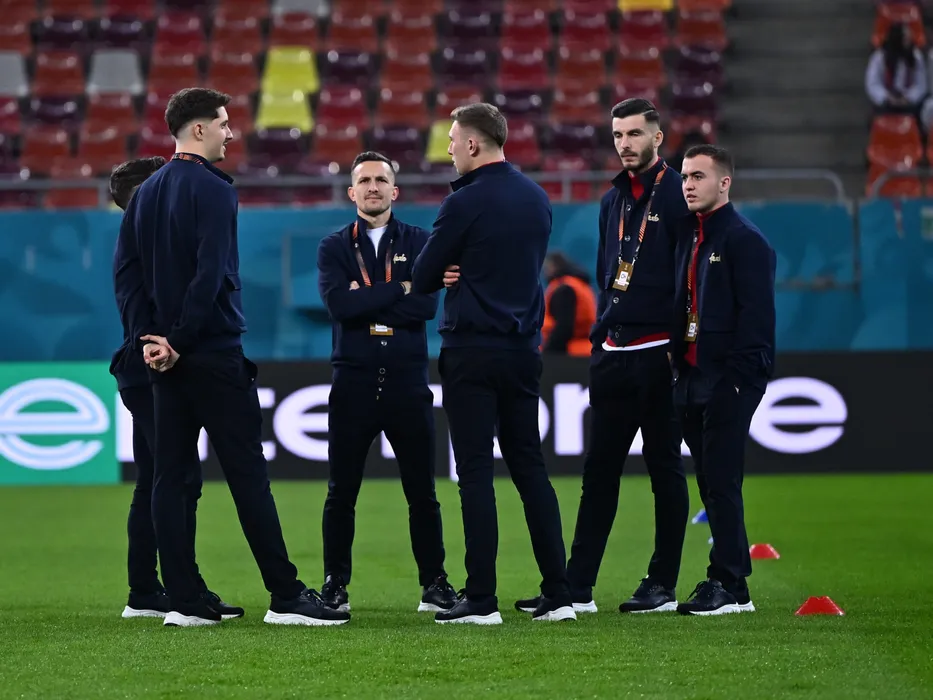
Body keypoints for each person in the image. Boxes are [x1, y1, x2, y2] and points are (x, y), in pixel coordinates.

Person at [115, 87, 348, 627]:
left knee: (169, 479)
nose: (230, 132)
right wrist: (180, 339)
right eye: (223, 123)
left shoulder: (145, 195)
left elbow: (128, 278)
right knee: (247, 476)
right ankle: (286, 597)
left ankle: (184, 602)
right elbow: (211, 272)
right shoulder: (215, 189)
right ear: (198, 129)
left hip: (162, 363)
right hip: (212, 354)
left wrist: (152, 340)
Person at [515, 98, 690, 617]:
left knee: (664, 469)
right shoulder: (612, 200)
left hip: (659, 353)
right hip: (613, 353)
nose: (625, 144)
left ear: (657, 137)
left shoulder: (678, 193)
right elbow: (606, 273)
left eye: (635, 134)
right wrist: (599, 344)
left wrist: (680, 347)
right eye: (617, 135)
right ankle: (577, 586)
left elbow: (689, 275)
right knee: (598, 474)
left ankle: (662, 584)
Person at [412, 103, 575, 625]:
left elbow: (423, 275)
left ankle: (481, 598)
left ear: (474, 143)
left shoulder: (463, 202)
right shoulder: (537, 197)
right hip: (523, 350)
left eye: (453, 140)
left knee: (476, 472)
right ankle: (559, 594)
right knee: (531, 469)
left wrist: (449, 269)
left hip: (472, 350)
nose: (449, 149)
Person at [315, 151, 458, 615]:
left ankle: (434, 583)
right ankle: (335, 585)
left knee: (423, 493)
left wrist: (369, 297)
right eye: (364, 181)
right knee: (341, 493)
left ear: (395, 191)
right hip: (353, 383)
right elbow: (340, 308)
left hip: (406, 382)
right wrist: (401, 287)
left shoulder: (421, 240)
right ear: (351, 192)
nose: (373, 187)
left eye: (380, 180)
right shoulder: (334, 247)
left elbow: (426, 308)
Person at [110, 156, 243, 622]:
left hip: (140, 367)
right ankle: (179, 590)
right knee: (177, 478)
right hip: (150, 367)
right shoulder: (148, 240)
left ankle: (148, 589)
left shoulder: (141, 240)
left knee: (155, 479)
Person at [670, 144, 776, 615]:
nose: (688, 185)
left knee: (722, 480)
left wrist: (737, 380)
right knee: (710, 482)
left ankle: (729, 583)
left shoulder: (745, 240)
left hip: (728, 379)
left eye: (698, 176)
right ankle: (730, 583)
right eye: (685, 177)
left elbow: (757, 320)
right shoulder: (691, 236)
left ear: (724, 182)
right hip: (693, 375)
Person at [540, 251, 597, 357]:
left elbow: (564, 327)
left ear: (554, 266)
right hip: (584, 349)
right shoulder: (578, 284)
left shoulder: (564, 289)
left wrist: (548, 352)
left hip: (568, 354)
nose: (545, 271)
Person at [866, 23, 927, 115]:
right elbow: (872, 84)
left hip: (909, 102)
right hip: (886, 101)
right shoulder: (879, 57)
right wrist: (887, 98)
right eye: (905, 39)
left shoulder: (916, 56)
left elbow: (921, 84)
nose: (909, 41)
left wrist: (908, 98)